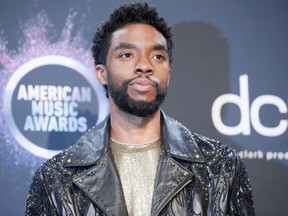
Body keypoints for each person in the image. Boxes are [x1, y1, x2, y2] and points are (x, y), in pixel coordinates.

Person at [26, 2, 255, 216]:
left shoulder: (222, 167)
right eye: (126, 55)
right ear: (101, 73)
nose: (145, 65)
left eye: (158, 56)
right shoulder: (54, 179)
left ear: (168, 73)